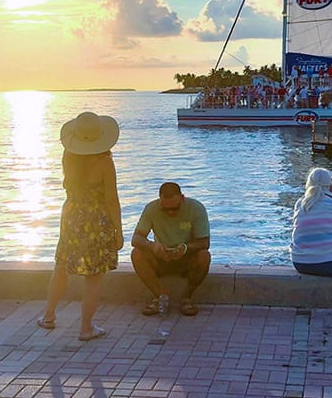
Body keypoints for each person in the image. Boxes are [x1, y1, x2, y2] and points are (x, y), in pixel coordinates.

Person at [38, 112, 123, 341]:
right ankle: (86, 328)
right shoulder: (105, 162)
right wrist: (119, 231)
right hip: (96, 218)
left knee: (62, 265)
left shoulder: (69, 156)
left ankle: (48, 316)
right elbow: (111, 200)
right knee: (94, 275)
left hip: (72, 214)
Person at [131, 182, 211, 317]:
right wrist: (152, 246)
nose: (170, 212)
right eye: (165, 209)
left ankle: (186, 298)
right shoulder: (151, 209)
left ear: (182, 198)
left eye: (175, 208)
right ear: (159, 201)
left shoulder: (196, 208)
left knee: (204, 256)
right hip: (161, 258)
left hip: (186, 258)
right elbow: (136, 239)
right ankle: (160, 296)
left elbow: (205, 242)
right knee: (136, 254)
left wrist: (185, 248)